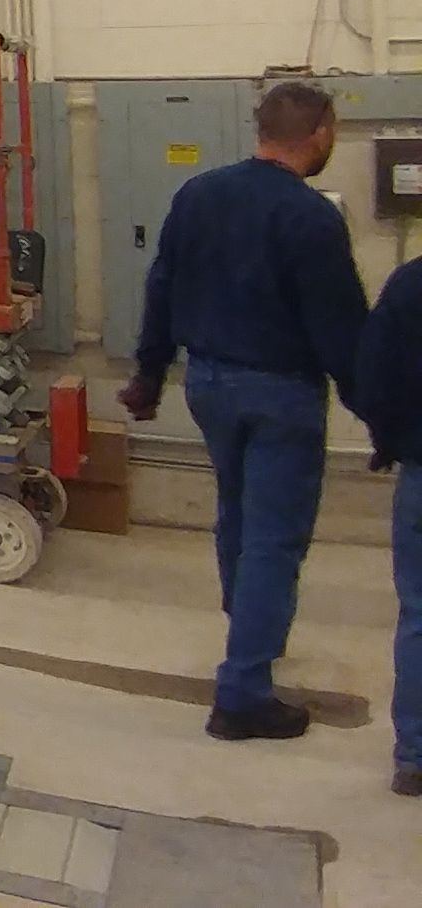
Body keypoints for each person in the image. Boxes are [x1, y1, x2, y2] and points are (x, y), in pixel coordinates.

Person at [119, 80, 368, 742]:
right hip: (280, 393)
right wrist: (379, 411)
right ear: (318, 134)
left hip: (208, 386)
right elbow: (339, 329)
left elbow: (161, 285)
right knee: (273, 539)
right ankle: (244, 694)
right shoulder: (310, 218)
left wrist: (148, 372)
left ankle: (250, 632)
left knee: (236, 515)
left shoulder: (199, 194)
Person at [359, 255, 422, 797]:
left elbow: (373, 374)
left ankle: (416, 757)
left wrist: (390, 440)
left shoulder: (410, 284)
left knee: (420, 615)